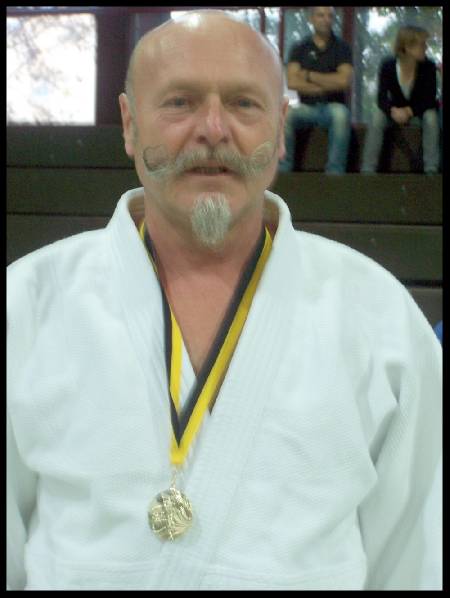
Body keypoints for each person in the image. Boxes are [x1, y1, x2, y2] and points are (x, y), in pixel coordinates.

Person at [7, 10, 441, 591]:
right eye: (180, 102)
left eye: (243, 104)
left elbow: (418, 559)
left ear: (280, 129)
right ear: (130, 124)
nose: (213, 129)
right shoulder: (27, 303)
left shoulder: (378, 315)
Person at [278, 6, 353, 174]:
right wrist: (327, 84)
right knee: (285, 113)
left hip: (332, 107)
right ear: (311, 19)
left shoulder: (342, 47)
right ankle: (283, 169)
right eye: (321, 15)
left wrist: (309, 75)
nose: (326, 20)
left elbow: (344, 81)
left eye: (330, 16)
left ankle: (335, 172)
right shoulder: (299, 47)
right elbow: (292, 82)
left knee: (341, 114)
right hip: (306, 107)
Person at [361, 25, 440, 174]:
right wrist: (392, 111)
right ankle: (368, 169)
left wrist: (409, 111)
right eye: (422, 44)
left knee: (431, 117)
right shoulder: (388, 65)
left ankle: (431, 168)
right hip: (394, 112)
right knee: (377, 116)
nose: (426, 48)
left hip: (417, 113)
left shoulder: (429, 66)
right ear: (407, 47)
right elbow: (381, 97)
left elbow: (430, 100)